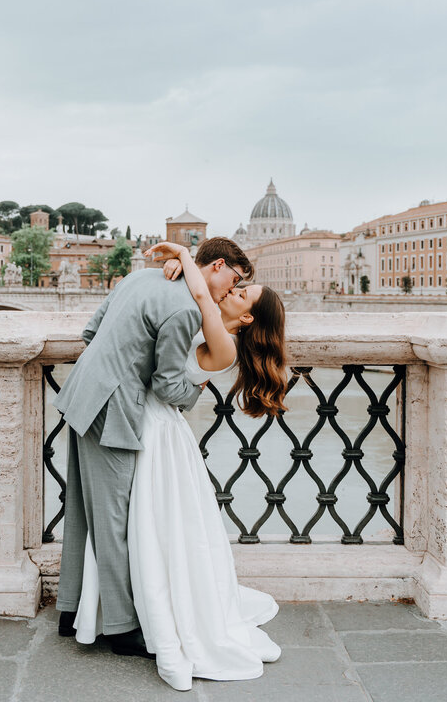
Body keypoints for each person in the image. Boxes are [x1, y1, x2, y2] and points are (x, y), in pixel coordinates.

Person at [72, 239, 289, 691]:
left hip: (145, 425)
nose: (235, 289)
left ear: (248, 318)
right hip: (134, 416)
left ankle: (106, 613)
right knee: (125, 522)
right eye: (237, 281)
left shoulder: (210, 330)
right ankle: (109, 614)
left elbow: (97, 335)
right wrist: (187, 264)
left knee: (126, 522)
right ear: (221, 265)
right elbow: (173, 365)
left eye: (243, 292)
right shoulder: (191, 309)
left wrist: (186, 260)